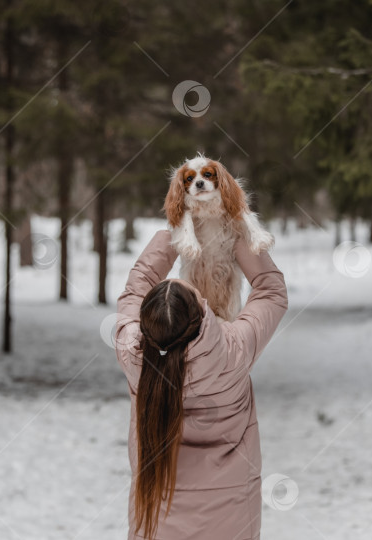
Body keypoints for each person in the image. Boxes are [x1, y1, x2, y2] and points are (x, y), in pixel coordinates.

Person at [114, 229, 289, 539]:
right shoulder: (233, 351)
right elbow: (270, 291)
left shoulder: (133, 355)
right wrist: (235, 236)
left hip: (156, 517)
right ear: (201, 313)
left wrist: (174, 233)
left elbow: (136, 286)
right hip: (231, 521)